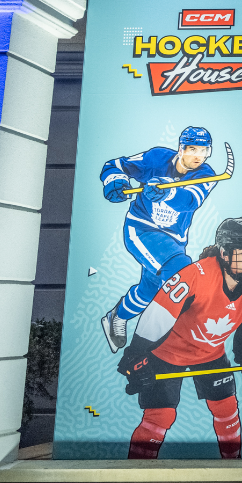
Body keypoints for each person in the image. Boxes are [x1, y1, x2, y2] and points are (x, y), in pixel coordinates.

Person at [117, 217, 242, 460]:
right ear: (224, 253)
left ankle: (233, 469)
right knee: (160, 415)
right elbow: (157, 315)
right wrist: (135, 356)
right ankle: (135, 473)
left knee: (227, 408)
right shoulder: (196, 276)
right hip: (167, 352)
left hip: (210, 353)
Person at [98, 125, 219, 352]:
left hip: (174, 240)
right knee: (180, 272)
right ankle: (173, 341)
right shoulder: (156, 159)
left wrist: (168, 192)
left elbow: (191, 200)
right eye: (193, 149)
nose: (198, 156)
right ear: (181, 148)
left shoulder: (206, 174)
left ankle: (117, 315)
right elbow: (114, 166)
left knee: (149, 289)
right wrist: (115, 181)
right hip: (142, 229)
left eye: (204, 151)